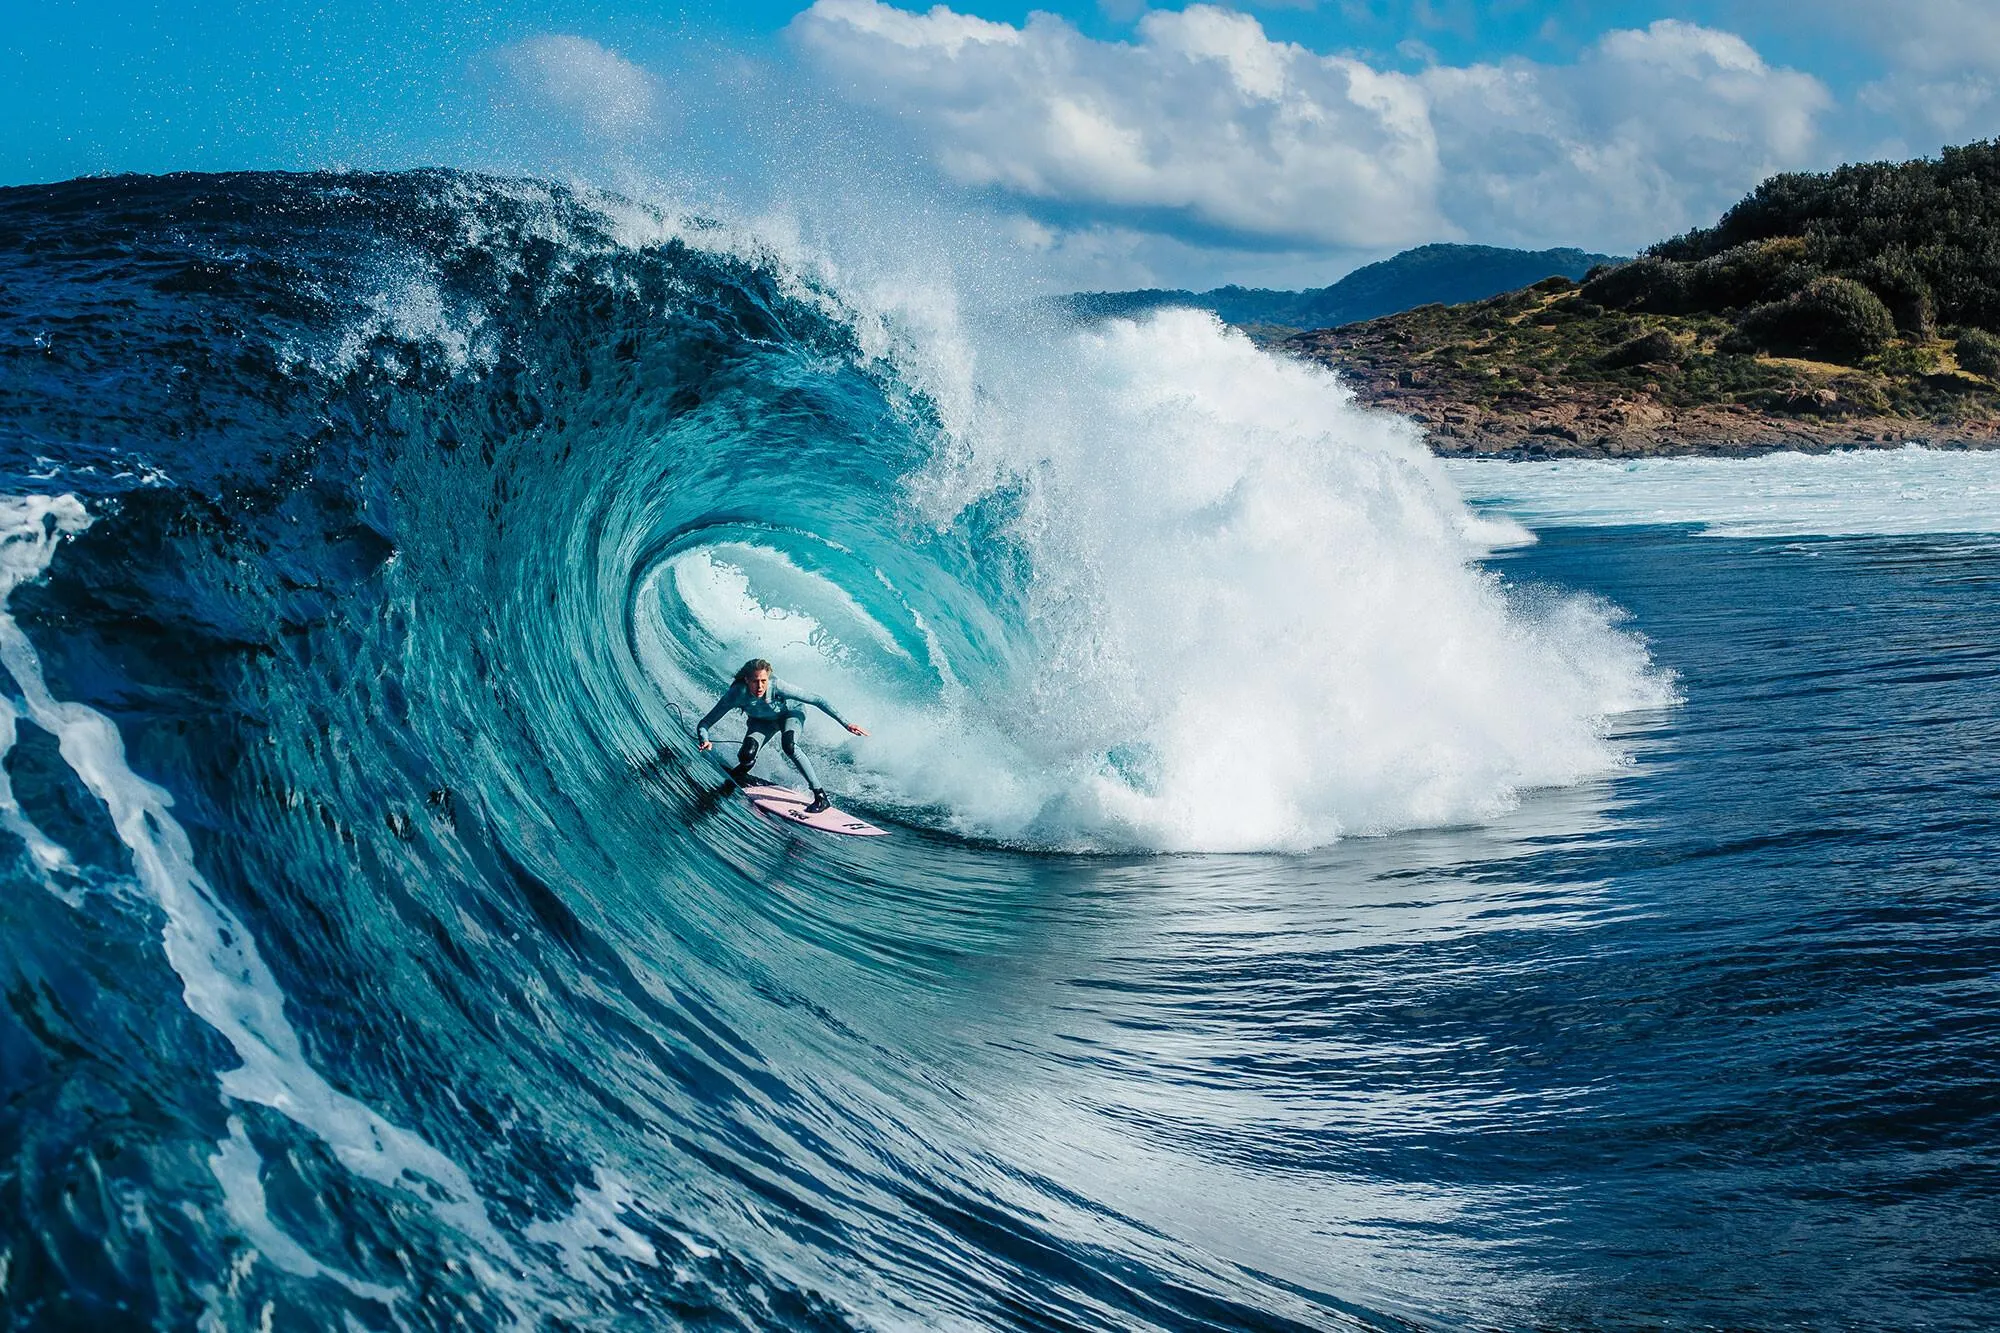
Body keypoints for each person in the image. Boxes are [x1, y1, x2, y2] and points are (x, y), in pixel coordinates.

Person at [695, 658, 867, 813]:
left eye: (763, 681)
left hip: (790, 714)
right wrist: (705, 740)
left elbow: (817, 699)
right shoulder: (736, 694)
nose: (760, 686)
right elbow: (705, 723)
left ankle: (820, 796)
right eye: (755, 682)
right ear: (746, 680)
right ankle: (740, 773)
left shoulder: (777, 686)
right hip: (762, 722)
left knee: (789, 745)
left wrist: (846, 723)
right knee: (746, 756)